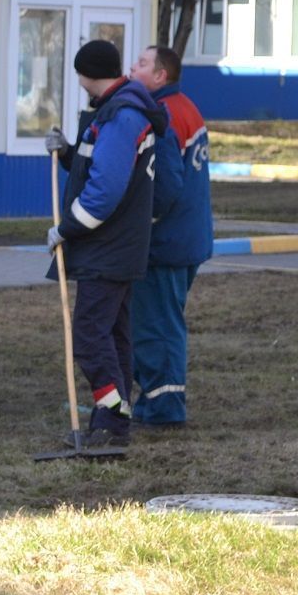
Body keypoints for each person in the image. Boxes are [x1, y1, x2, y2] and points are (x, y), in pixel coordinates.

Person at [44, 39, 167, 448]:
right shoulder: (119, 111)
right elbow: (101, 164)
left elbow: (106, 189)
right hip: (118, 247)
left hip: (108, 247)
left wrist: (67, 228)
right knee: (113, 335)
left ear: (85, 74)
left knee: (90, 336)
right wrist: (67, 154)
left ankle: (112, 415)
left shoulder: (121, 116)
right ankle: (112, 422)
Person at [127, 45, 213, 427]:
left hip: (166, 244)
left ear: (161, 76)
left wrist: (139, 225)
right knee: (163, 322)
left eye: (142, 63)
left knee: (158, 327)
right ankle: (154, 401)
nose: (133, 67)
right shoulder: (186, 107)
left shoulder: (162, 114)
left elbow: (164, 186)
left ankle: (163, 409)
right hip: (188, 240)